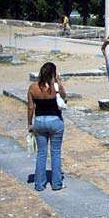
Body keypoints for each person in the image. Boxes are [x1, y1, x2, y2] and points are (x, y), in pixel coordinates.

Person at [27, 62, 66, 191]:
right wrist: (59, 82)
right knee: (55, 153)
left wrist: (29, 124)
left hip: (39, 121)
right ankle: (56, 183)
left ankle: (39, 184)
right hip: (55, 120)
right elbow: (64, 99)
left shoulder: (33, 88)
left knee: (41, 153)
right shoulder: (56, 87)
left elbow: (31, 107)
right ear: (53, 73)